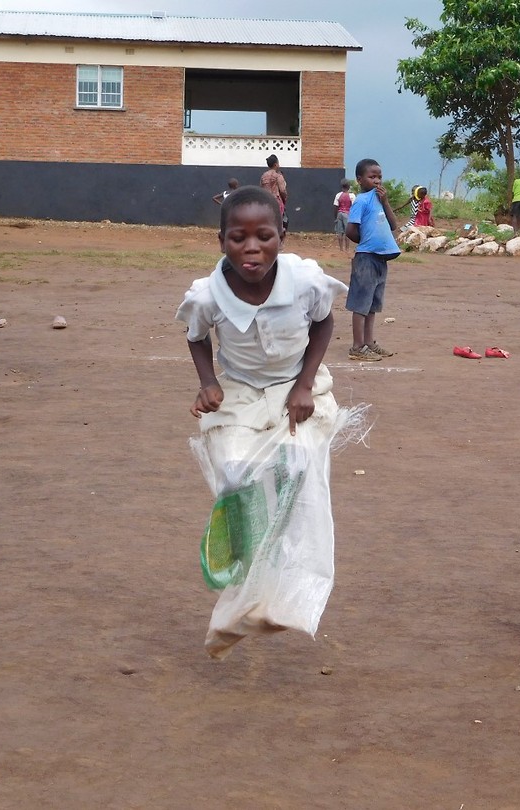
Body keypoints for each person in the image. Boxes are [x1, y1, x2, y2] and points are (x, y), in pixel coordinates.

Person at [176, 185, 355, 660]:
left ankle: (283, 593)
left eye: (263, 237)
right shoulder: (207, 294)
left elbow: (324, 323)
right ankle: (248, 578)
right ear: (221, 241)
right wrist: (207, 382)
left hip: (294, 387)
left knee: (297, 468)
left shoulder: (304, 280)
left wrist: (305, 384)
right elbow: (195, 337)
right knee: (235, 472)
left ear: (283, 235)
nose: (251, 249)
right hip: (238, 392)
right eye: (237, 238)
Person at [345, 158, 400, 361]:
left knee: (372, 305)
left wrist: (385, 202)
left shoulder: (379, 200)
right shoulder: (361, 200)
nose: (377, 181)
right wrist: (366, 242)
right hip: (366, 258)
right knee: (361, 304)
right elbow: (350, 229)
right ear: (360, 179)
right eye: (372, 177)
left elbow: (393, 225)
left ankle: (369, 343)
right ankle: (357, 347)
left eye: (379, 177)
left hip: (381, 259)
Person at [260, 154, 288, 232]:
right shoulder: (278, 176)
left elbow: (261, 189)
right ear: (275, 164)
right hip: (276, 202)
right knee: (278, 224)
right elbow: (282, 190)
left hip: (265, 203)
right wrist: (284, 199)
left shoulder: (263, 176)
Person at [332, 179, 355, 252]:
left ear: (342, 186)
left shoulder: (338, 195)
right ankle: (347, 249)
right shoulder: (352, 196)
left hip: (339, 213)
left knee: (339, 232)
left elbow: (336, 207)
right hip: (347, 214)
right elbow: (354, 207)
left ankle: (341, 249)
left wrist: (335, 217)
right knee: (347, 232)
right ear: (349, 186)